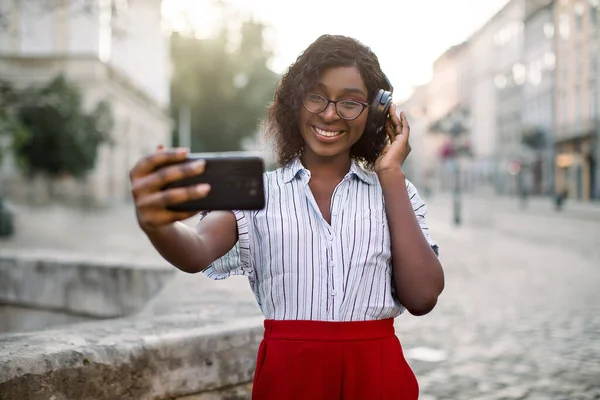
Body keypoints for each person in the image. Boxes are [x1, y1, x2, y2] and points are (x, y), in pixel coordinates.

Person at [129, 34, 444, 400]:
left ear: (374, 114)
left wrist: (390, 172)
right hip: (289, 380)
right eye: (316, 96)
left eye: (350, 103)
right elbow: (196, 250)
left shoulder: (396, 192)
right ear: (295, 102)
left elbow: (422, 297)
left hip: (377, 378)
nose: (329, 113)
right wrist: (156, 224)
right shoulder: (257, 193)